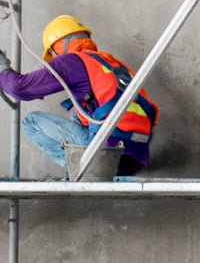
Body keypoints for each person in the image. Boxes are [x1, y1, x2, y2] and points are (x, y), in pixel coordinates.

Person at [0, 14, 159, 176]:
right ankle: (93, 163)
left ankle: (77, 168)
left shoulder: (71, 61)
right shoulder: (114, 64)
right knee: (78, 105)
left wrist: (1, 66)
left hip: (104, 151)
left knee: (30, 121)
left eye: (53, 53)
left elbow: (18, 88)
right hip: (135, 156)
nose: (54, 58)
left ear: (58, 45)